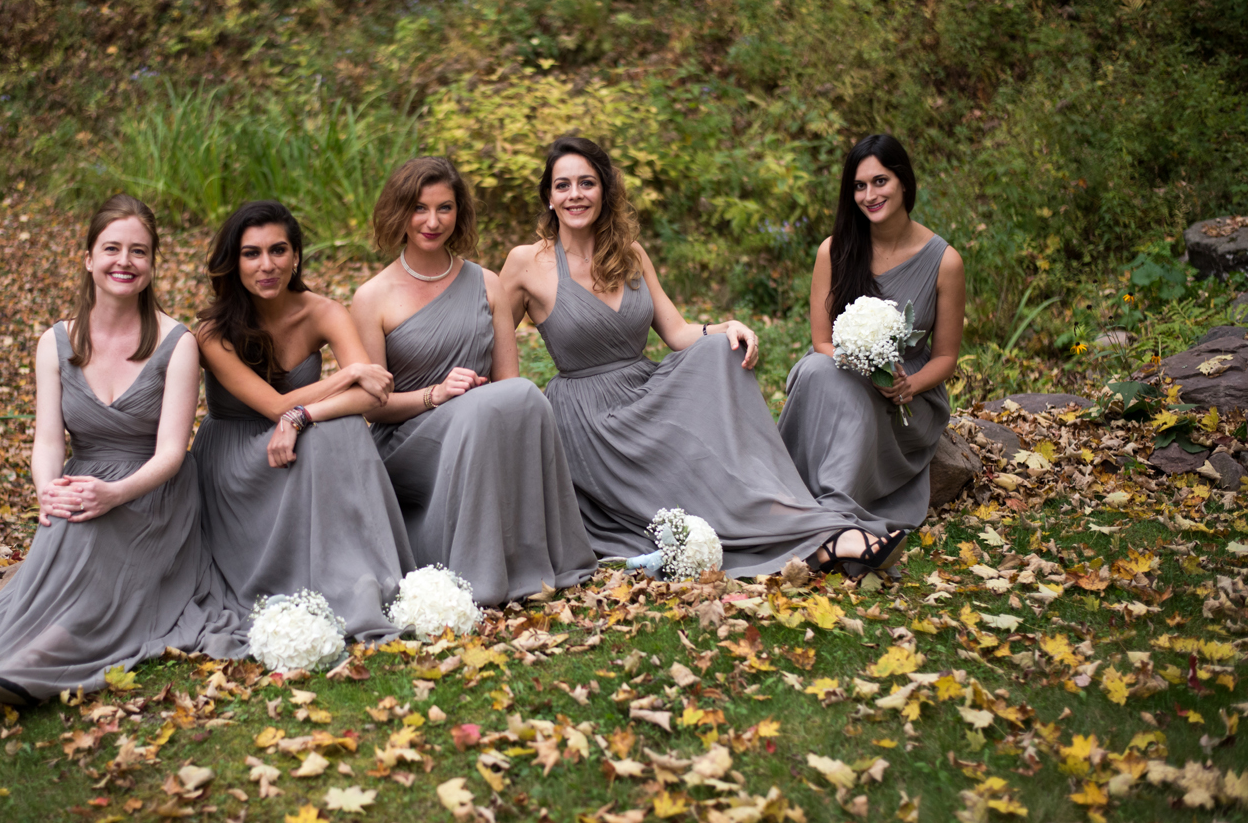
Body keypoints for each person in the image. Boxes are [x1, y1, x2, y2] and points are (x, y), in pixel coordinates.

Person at [499, 136, 903, 577]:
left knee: (722, 353)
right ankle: (822, 540)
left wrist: (724, 328)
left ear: (604, 192)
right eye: (563, 185)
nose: (575, 194)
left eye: (587, 183)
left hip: (642, 393)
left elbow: (677, 332)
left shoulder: (629, 254)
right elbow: (498, 356)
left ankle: (807, 531)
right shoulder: (525, 263)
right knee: (697, 470)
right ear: (549, 197)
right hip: (588, 419)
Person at [0, 194, 248, 708]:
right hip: (82, 481)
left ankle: (40, 662)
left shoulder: (176, 342)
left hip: (153, 491)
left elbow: (172, 454)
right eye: (112, 248)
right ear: (88, 258)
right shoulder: (55, 342)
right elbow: (48, 440)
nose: (125, 261)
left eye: (139, 251)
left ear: (152, 264)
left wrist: (114, 493)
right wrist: (48, 492)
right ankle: (38, 647)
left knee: (101, 532)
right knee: (75, 518)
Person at [350, 157, 595, 604]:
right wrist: (434, 395)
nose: (432, 221)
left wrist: (472, 400)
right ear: (398, 212)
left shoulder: (487, 283)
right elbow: (371, 407)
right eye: (419, 208)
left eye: (445, 208)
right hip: (407, 438)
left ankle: (542, 555)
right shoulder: (372, 297)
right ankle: (474, 575)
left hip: (477, 421)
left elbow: (509, 385)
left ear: (458, 213)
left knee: (523, 396)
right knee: (487, 409)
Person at [192, 199, 412, 644]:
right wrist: (347, 373)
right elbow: (276, 405)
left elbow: (372, 395)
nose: (266, 265)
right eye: (251, 253)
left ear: (295, 257)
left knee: (342, 427)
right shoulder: (212, 333)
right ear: (233, 262)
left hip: (292, 442)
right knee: (336, 426)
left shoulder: (322, 311)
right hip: (235, 462)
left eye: (278, 251)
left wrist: (302, 416)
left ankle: (360, 581)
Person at [778, 134, 965, 536]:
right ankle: (793, 494)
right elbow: (822, 341)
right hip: (845, 368)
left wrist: (904, 385)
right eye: (859, 186)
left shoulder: (945, 262)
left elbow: (946, 357)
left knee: (826, 378)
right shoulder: (835, 250)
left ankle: (836, 512)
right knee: (814, 369)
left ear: (903, 182)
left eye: (880, 181)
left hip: (906, 392)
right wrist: (863, 369)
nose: (869, 195)